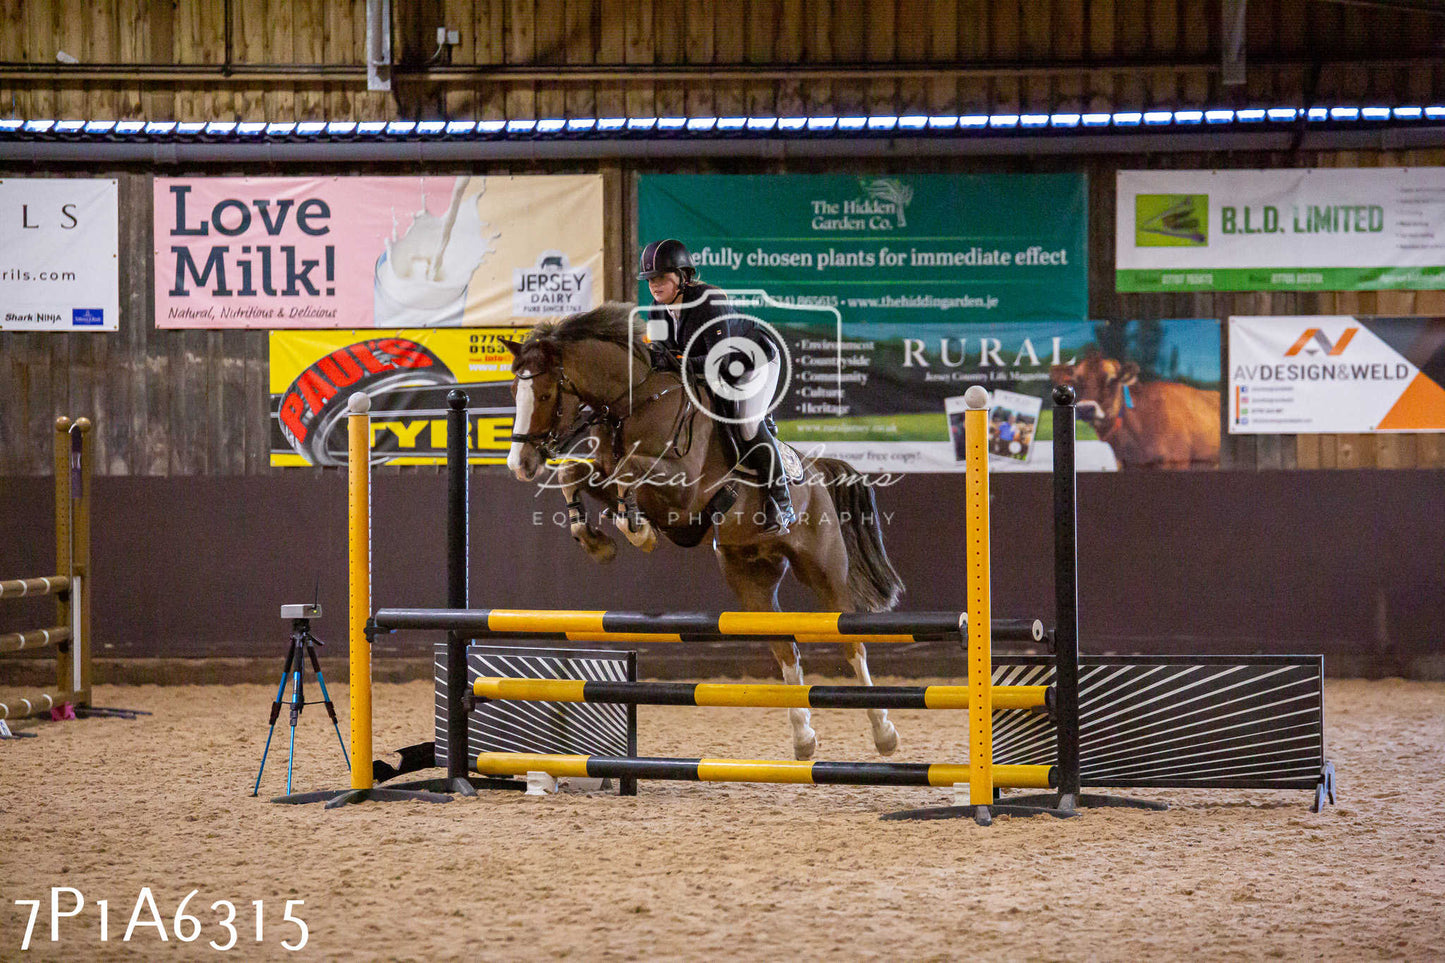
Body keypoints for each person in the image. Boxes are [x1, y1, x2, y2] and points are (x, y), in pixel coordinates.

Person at [637, 238, 796, 534]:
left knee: (747, 424)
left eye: (660, 277)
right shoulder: (656, 310)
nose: (654, 286)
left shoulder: (710, 301)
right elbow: (659, 358)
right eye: (649, 280)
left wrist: (674, 361)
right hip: (709, 371)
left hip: (752, 364)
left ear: (683, 277)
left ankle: (782, 503)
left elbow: (719, 364)